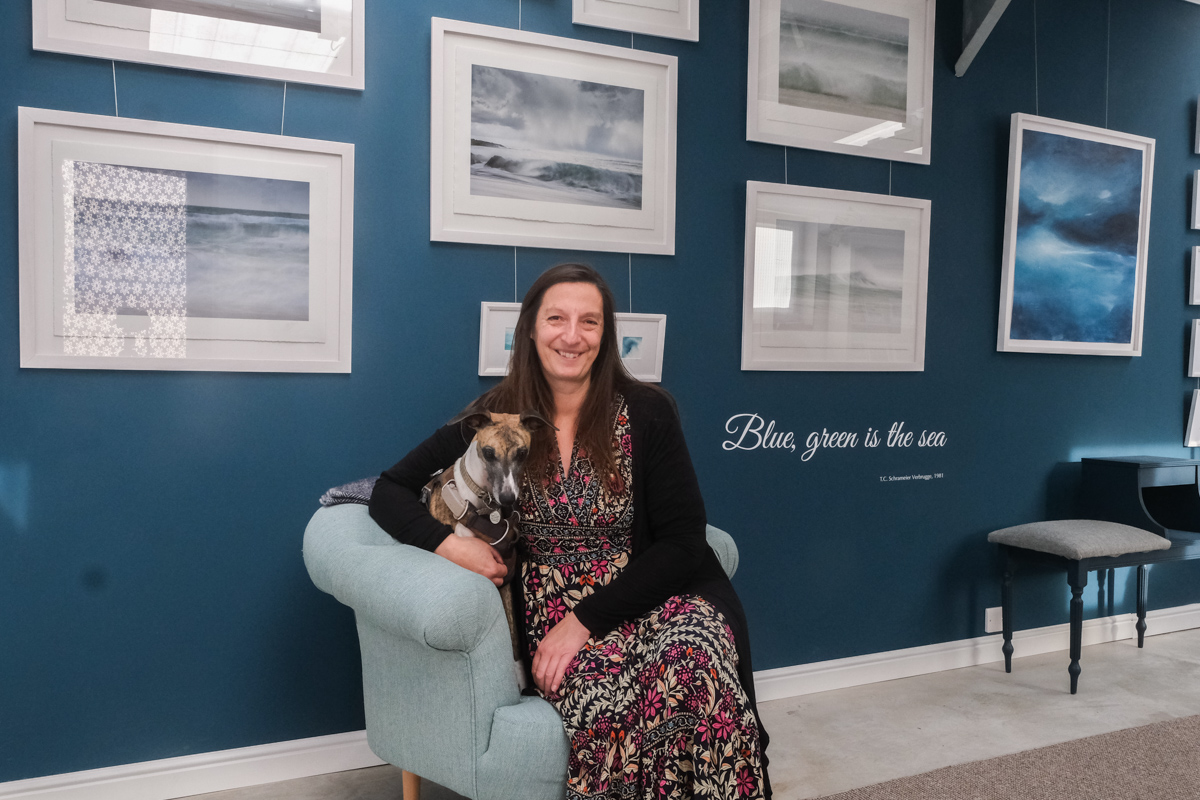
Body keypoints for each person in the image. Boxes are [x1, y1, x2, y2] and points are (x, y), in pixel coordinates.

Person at [370, 263, 770, 799]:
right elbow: (388, 490)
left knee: (696, 663)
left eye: (590, 322)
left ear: (606, 337)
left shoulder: (649, 412)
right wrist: (450, 547)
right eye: (557, 318)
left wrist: (585, 619)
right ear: (531, 330)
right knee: (609, 710)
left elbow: (682, 540)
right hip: (553, 616)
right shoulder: (496, 418)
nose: (572, 336)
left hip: (653, 595)